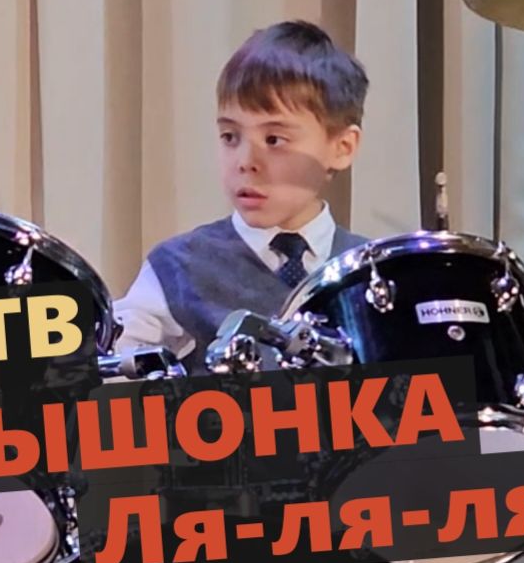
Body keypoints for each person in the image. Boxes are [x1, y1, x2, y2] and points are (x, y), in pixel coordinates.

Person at [114, 20, 371, 372]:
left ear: (342, 148)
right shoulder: (177, 267)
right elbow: (111, 364)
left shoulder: (371, 275)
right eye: (230, 137)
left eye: (274, 140)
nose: (245, 162)